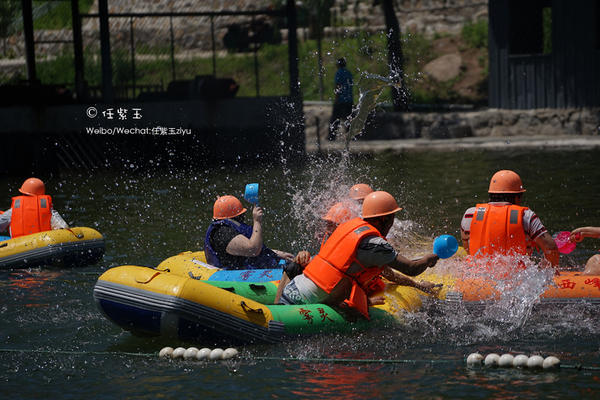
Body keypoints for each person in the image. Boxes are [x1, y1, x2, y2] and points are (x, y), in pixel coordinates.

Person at [278, 191, 440, 319]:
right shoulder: (377, 245)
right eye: (392, 218)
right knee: (348, 286)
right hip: (311, 301)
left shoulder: (348, 227)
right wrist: (429, 259)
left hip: (291, 291)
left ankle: (276, 309)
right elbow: (411, 268)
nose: (392, 224)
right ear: (385, 219)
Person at [460, 170, 559, 268]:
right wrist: (547, 272)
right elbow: (551, 248)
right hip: (517, 280)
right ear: (517, 197)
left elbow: (469, 250)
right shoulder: (526, 216)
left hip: (477, 278)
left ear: (490, 194)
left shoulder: (470, 214)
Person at [204, 195, 309, 270]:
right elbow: (253, 250)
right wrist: (257, 221)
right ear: (237, 216)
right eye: (241, 215)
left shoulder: (227, 228)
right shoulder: (223, 233)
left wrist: (277, 253)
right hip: (238, 274)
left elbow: (244, 249)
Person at [0, 177, 68, 238]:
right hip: (43, 245)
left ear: (23, 194)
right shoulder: (48, 211)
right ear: (41, 195)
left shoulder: (13, 211)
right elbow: (63, 227)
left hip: (19, 247)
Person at [328, 57, 354, 141]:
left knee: (335, 119)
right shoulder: (349, 73)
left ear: (338, 64)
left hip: (341, 100)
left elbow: (338, 86)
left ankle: (331, 136)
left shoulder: (339, 73)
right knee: (348, 118)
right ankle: (350, 136)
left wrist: (336, 98)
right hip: (349, 99)